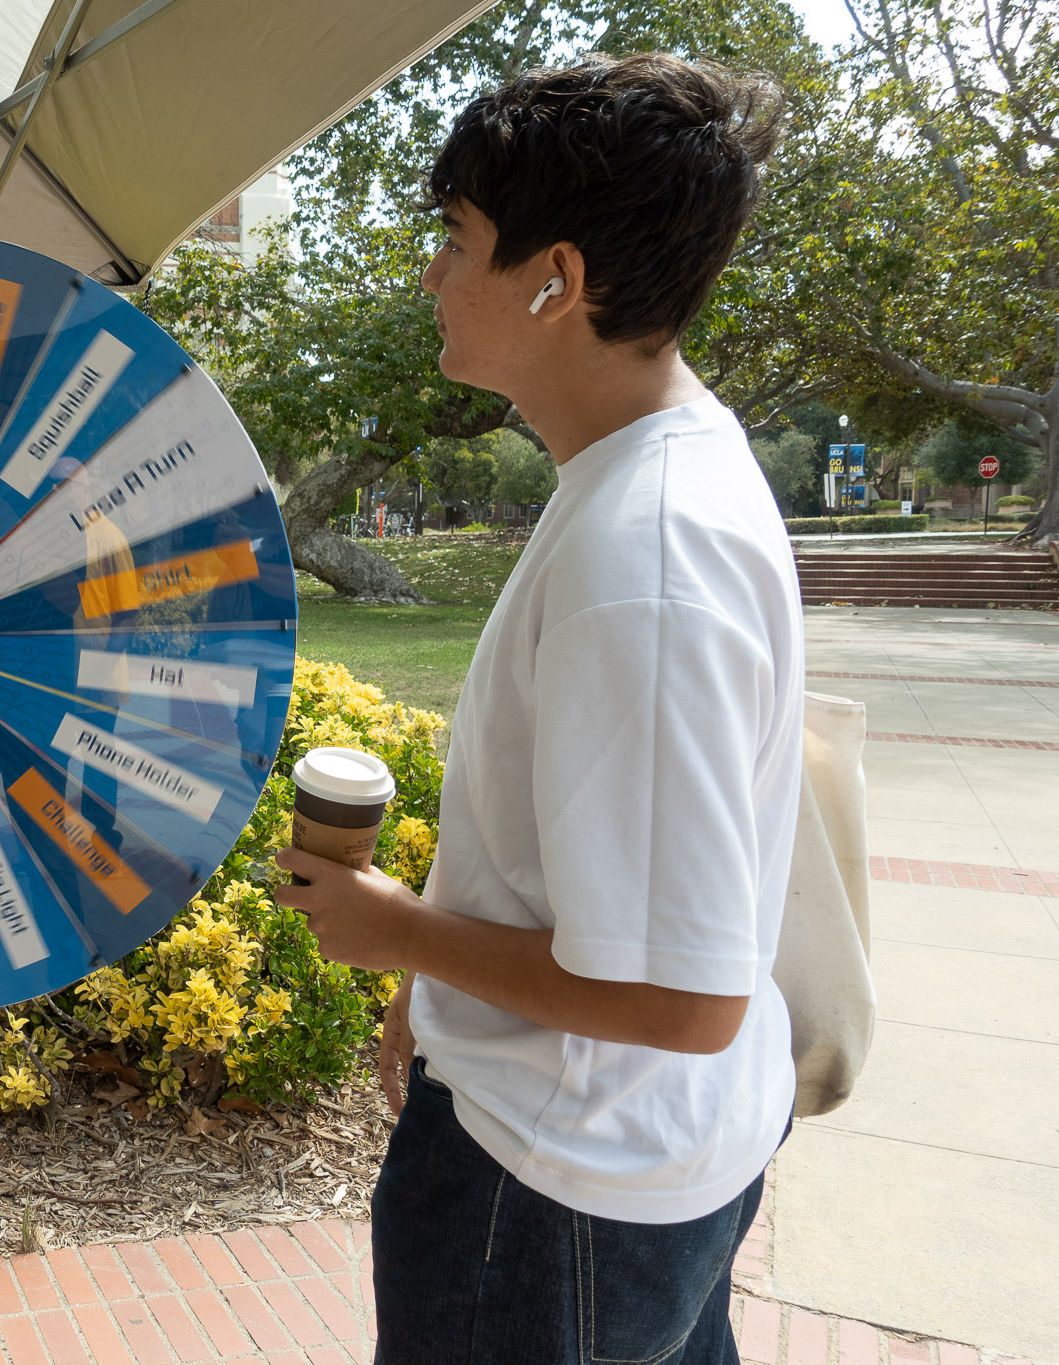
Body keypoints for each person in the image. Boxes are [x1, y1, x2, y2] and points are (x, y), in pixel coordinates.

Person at [272, 53, 800, 1364]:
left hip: (558, 1189)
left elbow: (687, 997)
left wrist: (400, 933)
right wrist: (439, 981)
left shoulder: (648, 555)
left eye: (455, 239)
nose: (431, 274)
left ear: (554, 279)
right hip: (625, 1158)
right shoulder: (652, 475)